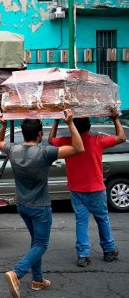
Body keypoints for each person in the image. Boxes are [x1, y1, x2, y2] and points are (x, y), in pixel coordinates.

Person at [0, 109, 84, 298]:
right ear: (40, 134)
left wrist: (2, 126)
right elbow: (79, 148)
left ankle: (37, 280)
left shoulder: (13, 149)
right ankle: (16, 273)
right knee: (41, 245)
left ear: (23, 132)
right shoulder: (45, 152)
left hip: (22, 205)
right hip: (40, 207)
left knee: (36, 243)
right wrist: (69, 123)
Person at [48, 111, 126, 267]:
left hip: (77, 189)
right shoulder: (97, 140)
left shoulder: (67, 141)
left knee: (81, 222)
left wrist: (56, 122)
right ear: (89, 127)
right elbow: (121, 137)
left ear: (73, 127)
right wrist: (115, 119)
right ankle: (109, 250)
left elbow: (50, 140)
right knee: (102, 219)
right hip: (96, 188)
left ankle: (83, 255)